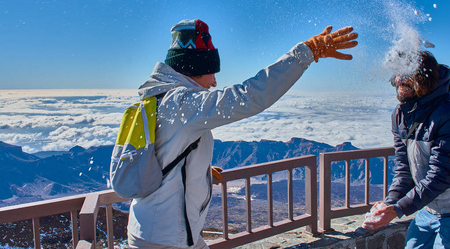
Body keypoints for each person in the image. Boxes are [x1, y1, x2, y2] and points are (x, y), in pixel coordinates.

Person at [128, 19, 358, 248]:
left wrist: (196, 169)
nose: (214, 81)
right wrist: (306, 52)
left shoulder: (157, 101)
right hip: (165, 239)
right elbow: (250, 96)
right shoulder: (182, 105)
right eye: (211, 72)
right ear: (194, 69)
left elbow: (159, 152)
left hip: (158, 230)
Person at [362, 51, 450, 248]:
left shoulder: (446, 112)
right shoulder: (401, 115)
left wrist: (398, 209)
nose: (402, 80)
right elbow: (404, 170)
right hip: (428, 209)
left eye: (410, 76)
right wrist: (390, 202)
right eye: (399, 75)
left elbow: (442, 174)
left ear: (426, 80)